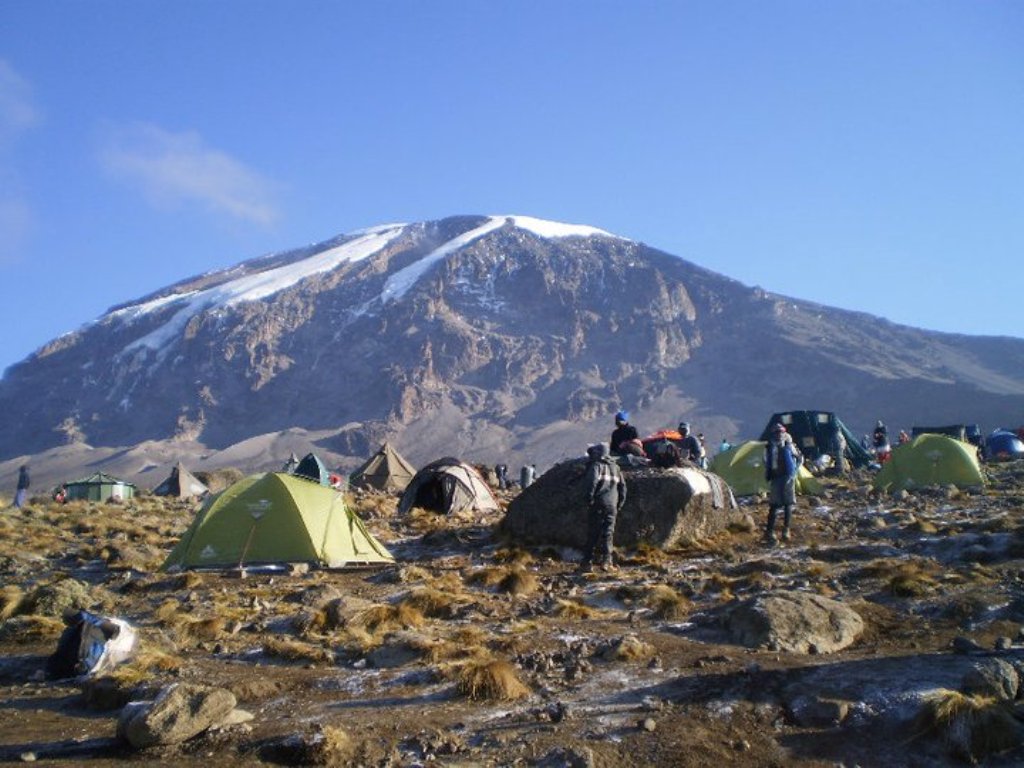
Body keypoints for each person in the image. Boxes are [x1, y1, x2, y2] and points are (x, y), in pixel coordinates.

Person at [580, 443, 626, 573]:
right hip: (612, 505)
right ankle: (607, 562)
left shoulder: (597, 466)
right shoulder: (616, 468)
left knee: (593, 533)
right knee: (608, 534)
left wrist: (589, 499)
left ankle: (586, 563)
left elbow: (591, 483)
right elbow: (623, 488)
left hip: (598, 504)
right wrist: (619, 504)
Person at [763, 424, 802, 545]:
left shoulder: (789, 445)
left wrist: (794, 471)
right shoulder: (769, 447)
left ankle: (785, 530)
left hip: (787, 477)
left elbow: (799, 457)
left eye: (781, 432)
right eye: (777, 433)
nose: (779, 435)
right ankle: (770, 531)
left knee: (788, 504)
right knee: (775, 505)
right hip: (777, 477)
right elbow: (765, 461)